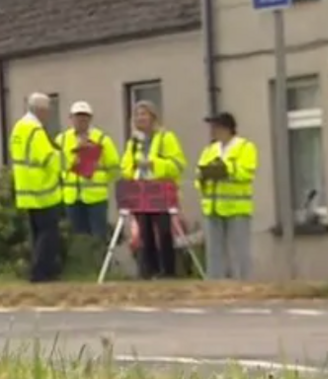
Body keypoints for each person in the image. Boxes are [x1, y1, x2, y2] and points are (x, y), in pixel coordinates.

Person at [118, 100, 186, 279]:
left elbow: (178, 164)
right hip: (140, 190)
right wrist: (132, 170)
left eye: (144, 114)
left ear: (153, 117)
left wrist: (154, 164)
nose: (140, 118)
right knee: (144, 231)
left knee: (163, 231)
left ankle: (168, 271)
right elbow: (125, 166)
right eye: (137, 115)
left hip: (160, 189)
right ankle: (149, 270)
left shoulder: (166, 138)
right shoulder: (133, 142)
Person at [196, 111, 258, 279]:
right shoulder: (210, 150)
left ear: (228, 129)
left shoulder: (245, 147)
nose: (213, 131)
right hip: (213, 206)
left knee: (240, 249)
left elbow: (246, 173)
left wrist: (225, 170)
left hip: (237, 206)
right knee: (214, 250)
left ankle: (244, 281)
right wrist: (203, 177)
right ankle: (215, 283)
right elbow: (199, 173)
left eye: (216, 127)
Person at [9, 92, 64, 282]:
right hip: (42, 188)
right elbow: (47, 157)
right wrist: (68, 159)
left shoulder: (19, 127)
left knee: (37, 232)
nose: (49, 114)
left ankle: (39, 270)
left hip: (26, 188)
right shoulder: (35, 129)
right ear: (40, 110)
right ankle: (41, 272)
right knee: (48, 233)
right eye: (48, 110)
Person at [56, 101, 119, 240]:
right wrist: (75, 157)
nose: (81, 120)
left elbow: (115, 168)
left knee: (98, 238)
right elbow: (56, 165)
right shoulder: (62, 139)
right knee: (78, 239)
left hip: (96, 198)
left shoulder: (102, 139)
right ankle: (83, 262)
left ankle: (99, 261)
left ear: (90, 118)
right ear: (71, 118)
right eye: (78, 116)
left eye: (85, 116)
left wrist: (98, 171)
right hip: (71, 197)